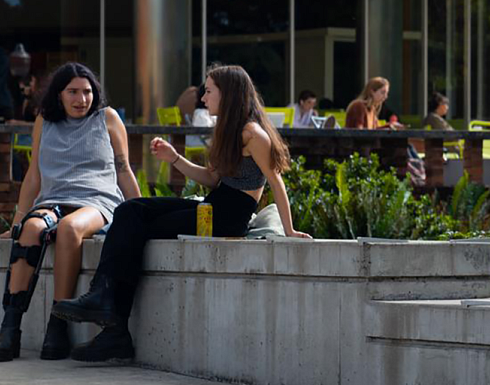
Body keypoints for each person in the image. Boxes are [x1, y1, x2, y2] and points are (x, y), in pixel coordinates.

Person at [51, 65, 311, 362]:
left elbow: (276, 182)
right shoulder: (228, 129)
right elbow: (213, 180)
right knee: (129, 210)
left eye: (209, 91)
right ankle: (105, 304)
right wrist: (174, 158)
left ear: (228, 94)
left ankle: (112, 323)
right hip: (214, 205)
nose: (203, 99)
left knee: (138, 226)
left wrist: (289, 230)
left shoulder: (252, 134)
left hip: (228, 217)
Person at [0, 62, 140, 362]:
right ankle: (10, 326)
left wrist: (141, 212)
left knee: (70, 229)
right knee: (30, 231)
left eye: (87, 92)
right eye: (73, 92)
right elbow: (33, 174)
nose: (81, 99)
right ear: (59, 95)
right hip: (53, 199)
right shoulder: (44, 120)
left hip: (97, 201)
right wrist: (18, 220)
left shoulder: (107, 118)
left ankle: (57, 325)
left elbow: (123, 169)